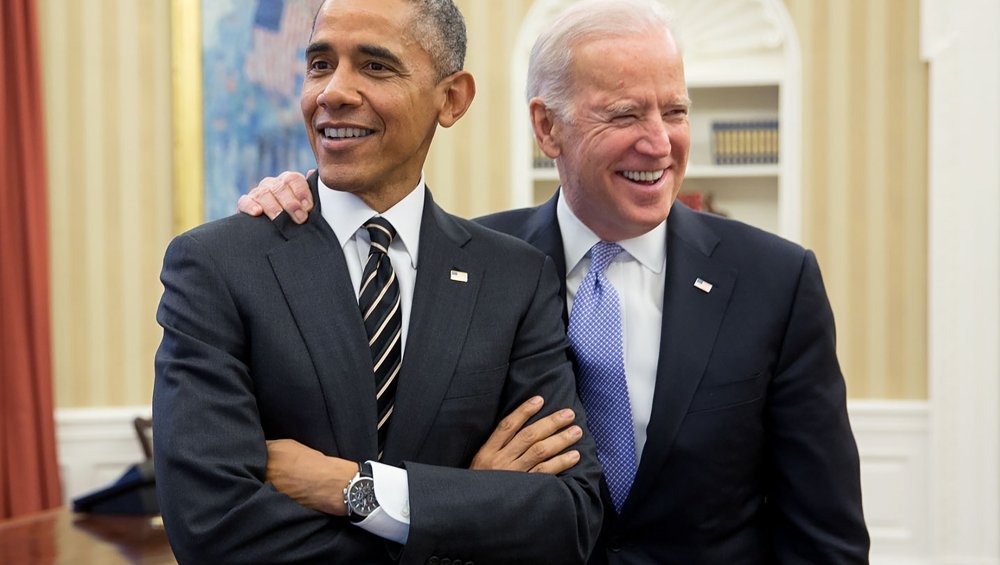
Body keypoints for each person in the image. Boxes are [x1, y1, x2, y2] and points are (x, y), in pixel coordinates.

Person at [240, 0, 872, 562]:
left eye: (674, 111)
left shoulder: (776, 280)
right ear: (548, 128)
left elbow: (825, 534)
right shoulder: (465, 262)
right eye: (624, 115)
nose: (659, 143)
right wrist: (302, 209)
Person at [153, 0, 604, 563]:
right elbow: (211, 528)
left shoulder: (514, 279)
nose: (332, 92)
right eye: (319, 64)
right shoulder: (216, 266)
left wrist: (350, 488)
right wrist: (455, 511)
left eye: (375, 66)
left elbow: (568, 516)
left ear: (453, 98)